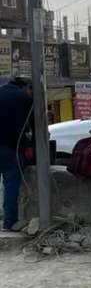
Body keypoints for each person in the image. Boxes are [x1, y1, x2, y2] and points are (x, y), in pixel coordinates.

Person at [0, 77, 33, 231]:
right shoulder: (23, 98)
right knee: (11, 184)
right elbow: (34, 124)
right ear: (26, 87)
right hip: (10, 147)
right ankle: (10, 221)